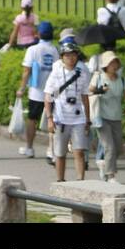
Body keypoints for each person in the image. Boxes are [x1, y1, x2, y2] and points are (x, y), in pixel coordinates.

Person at [44, 40, 91, 182]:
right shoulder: (56, 74)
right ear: (62, 57)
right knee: (60, 153)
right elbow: (48, 97)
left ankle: (80, 180)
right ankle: (60, 180)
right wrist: (50, 118)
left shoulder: (81, 73)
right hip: (61, 118)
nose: (71, 58)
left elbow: (85, 96)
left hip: (78, 118)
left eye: (73, 55)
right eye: (67, 55)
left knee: (79, 151)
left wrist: (88, 118)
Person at [15, 20, 58, 158]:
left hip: (36, 92)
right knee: (52, 119)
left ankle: (29, 147)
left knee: (32, 119)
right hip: (52, 92)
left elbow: (26, 71)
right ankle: (51, 149)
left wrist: (21, 88)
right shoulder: (55, 50)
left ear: (38, 34)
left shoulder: (32, 50)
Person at [89, 51, 125, 181]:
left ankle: (104, 165)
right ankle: (110, 175)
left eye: (115, 63)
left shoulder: (121, 79)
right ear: (105, 65)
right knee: (109, 147)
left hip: (116, 117)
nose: (114, 65)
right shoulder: (99, 77)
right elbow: (90, 90)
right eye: (111, 63)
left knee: (118, 148)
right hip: (101, 117)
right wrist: (100, 90)